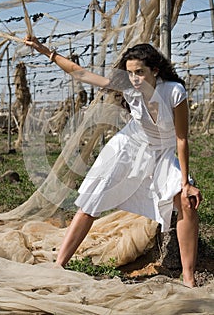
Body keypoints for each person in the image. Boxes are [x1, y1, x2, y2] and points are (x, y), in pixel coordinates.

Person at [24, 37, 202, 288]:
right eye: (130, 73)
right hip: (127, 148)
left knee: (185, 201)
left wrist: (185, 183)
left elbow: (181, 139)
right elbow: (81, 73)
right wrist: (46, 52)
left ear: (155, 70)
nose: (134, 79)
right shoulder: (128, 88)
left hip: (162, 153)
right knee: (91, 199)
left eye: (140, 72)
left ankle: (189, 279)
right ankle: (59, 265)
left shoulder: (174, 91)